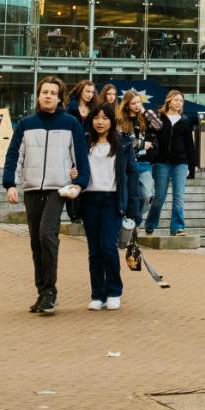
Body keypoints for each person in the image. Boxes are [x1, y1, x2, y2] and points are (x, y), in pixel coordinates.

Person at [2, 77, 91, 315]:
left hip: (57, 189)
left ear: (60, 97)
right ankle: (42, 292)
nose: (48, 96)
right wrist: (10, 184)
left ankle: (50, 292)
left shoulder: (71, 123)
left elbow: (81, 157)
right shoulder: (26, 124)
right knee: (35, 242)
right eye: (44, 92)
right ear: (38, 96)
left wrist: (80, 183)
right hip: (31, 189)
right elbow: (14, 156)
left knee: (46, 235)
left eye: (53, 92)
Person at [76, 109, 131, 312]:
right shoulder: (84, 142)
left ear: (111, 121)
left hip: (112, 199)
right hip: (89, 198)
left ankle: (114, 291)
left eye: (105, 118)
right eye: (96, 118)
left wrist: (132, 206)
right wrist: (73, 172)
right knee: (94, 249)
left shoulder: (122, 143)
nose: (100, 122)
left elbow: (130, 174)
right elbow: (75, 166)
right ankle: (97, 294)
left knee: (108, 246)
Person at [143, 91, 195, 236]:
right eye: (176, 100)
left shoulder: (185, 120)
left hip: (180, 163)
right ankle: (150, 224)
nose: (179, 103)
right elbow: (149, 134)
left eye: (181, 101)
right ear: (169, 101)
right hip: (161, 162)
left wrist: (191, 166)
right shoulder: (159, 118)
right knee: (159, 197)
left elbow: (190, 146)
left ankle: (177, 227)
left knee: (179, 197)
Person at [117, 91, 155, 226]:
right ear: (127, 105)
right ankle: (130, 222)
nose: (136, 105)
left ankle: (134, 222)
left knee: (147, 195)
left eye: (139, 102)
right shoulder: (120, 121)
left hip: (144, 163)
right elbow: (123, 143)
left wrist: (146, 113)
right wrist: (142, 144)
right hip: (128, 163)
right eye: (133, 103)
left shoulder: (144, 118)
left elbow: (159, 126)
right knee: (130, 196)